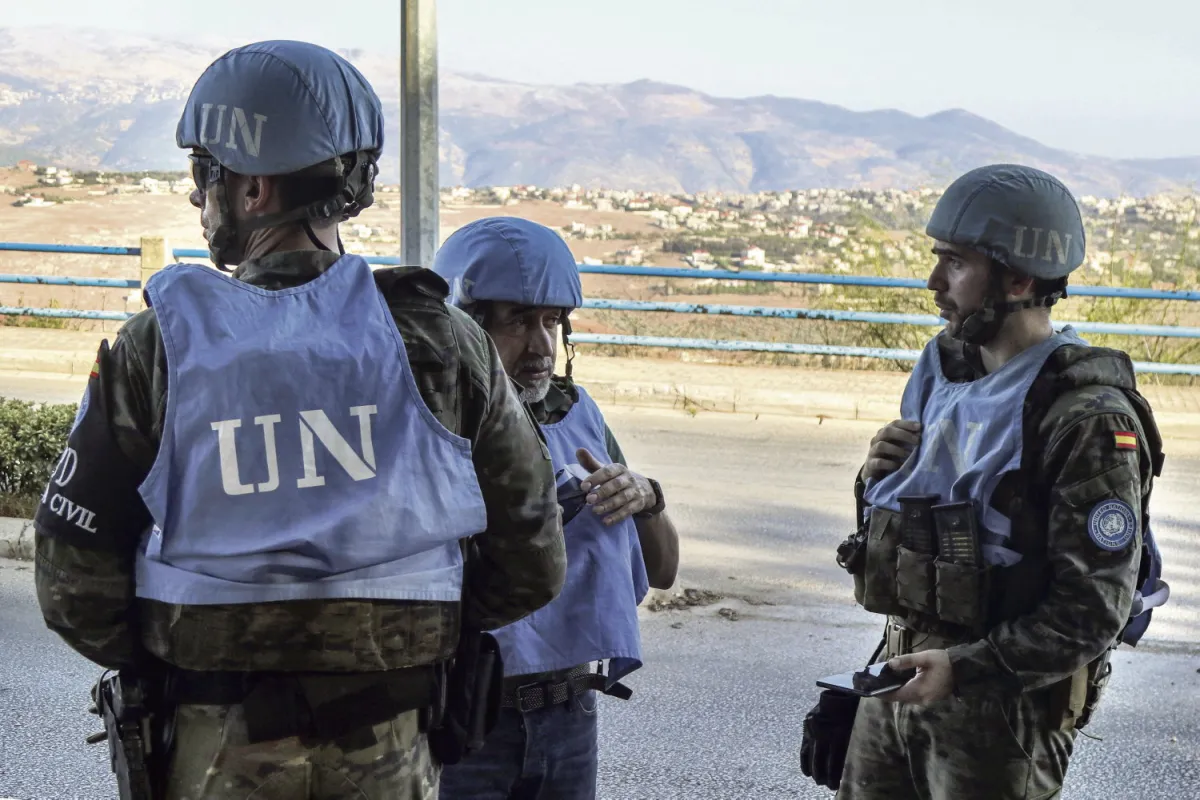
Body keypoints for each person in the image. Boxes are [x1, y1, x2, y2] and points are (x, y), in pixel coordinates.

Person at [32, 41, 566, 800]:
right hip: (396, 743)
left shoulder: (161, 346)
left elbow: (71, 584)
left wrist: (187, 661)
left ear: (250, 188)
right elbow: (533, 557)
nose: (197, 198)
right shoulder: (445, 343)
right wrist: (404, 637)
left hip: (213, 744)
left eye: (203, 175)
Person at [800, 164, 1167, 799]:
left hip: (1002, 708)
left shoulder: (1085, 418)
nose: (934, 282)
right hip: (900, 674)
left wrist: (966, 669)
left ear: (1020, 279)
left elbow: (1091, 612)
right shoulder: (948, 374)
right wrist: (877, 477)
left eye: (956, 263)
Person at [430, 216, 681, 799]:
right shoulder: (434, 427)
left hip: (569, 716)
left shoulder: (576, 415)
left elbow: (664, 571)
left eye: (551, 322)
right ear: (465, 328)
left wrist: (647, 497)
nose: (542, 346)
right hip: (466, 717)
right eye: (518, 321)